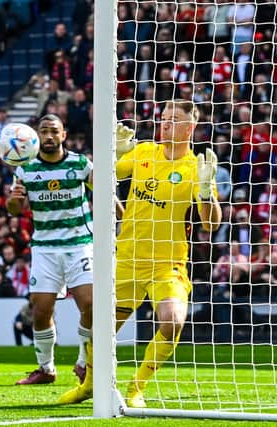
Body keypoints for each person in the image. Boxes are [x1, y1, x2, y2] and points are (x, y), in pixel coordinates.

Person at [60, 100, 222, 407]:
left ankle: (136, 388)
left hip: (167, 264)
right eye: (164, 118)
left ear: (190, 127)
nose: (166, 123)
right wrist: (113, 154)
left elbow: (210, 223)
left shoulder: (196, 168)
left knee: (173, 320)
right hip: (127, 259)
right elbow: (98, 182)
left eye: (174, 119)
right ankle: (90, 386)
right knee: (100, 326)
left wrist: (204, 190)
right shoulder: (144, 152)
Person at [6, 114, 94, 390]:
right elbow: (14, 209)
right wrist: (15, 199)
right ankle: (46, 368)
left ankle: (83, 363)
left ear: (63, 135)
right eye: (43, 131)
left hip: (79, 242)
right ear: (36, 136)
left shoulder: (80, 163)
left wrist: (121, 216)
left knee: (90, 305)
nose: (48, 136)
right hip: (44, 247)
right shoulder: (25, 169)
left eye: (53, 131)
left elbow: (104, 191)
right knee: (41, 309)